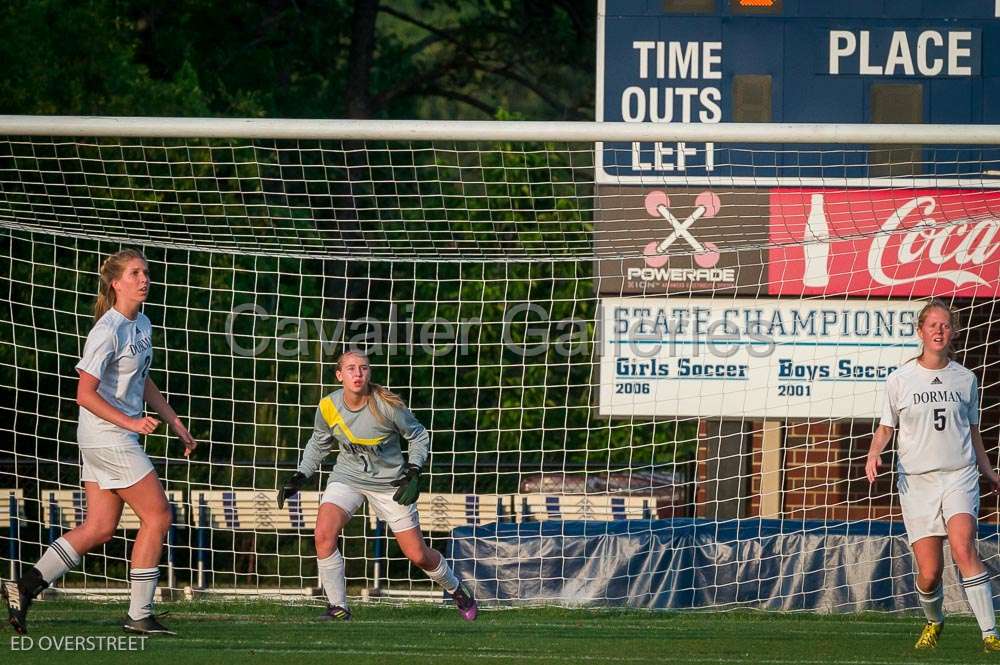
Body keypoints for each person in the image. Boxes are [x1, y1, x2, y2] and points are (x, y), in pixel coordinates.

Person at [2, 249, 197, 636]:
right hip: (108, 436)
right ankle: (139, 614)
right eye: (136, 273)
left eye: (146, 273)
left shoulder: (141, 322)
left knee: (100, 527)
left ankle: (24, 586)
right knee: (158, 516)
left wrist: (175, 422)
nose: (144, 280)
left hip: (113, 435)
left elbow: (142, 379)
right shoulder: (106, 330)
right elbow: (84, 394)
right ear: (115, 282)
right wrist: (131, 421)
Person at [278, 350, 477, 622]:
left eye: (363, 368)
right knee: (323, 534)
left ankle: (457, 589)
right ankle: (339, 608)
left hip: (391, 484)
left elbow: (419, 436)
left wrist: (413, 470)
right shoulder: (328, 406)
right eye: (350, 368)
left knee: (418, 555)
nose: (358, 374)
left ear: (369, 373)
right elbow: (319, 442)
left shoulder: (386, 405)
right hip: (347, 478)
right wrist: (301, 474)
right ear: (339, 375)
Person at [866, 300, 1000, 652]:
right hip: (917, 481)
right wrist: (874, 452)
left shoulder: (966, 379)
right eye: (932, 325)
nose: (939, 331)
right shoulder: (900, 379)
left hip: (959, 475)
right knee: (929, 573)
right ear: (921, 331)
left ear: (952, 332)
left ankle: (990, 635)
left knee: (963, 546)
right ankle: (934, 620)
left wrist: (989, 472)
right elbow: (885, 428)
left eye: (945, 325)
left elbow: (972, 433)